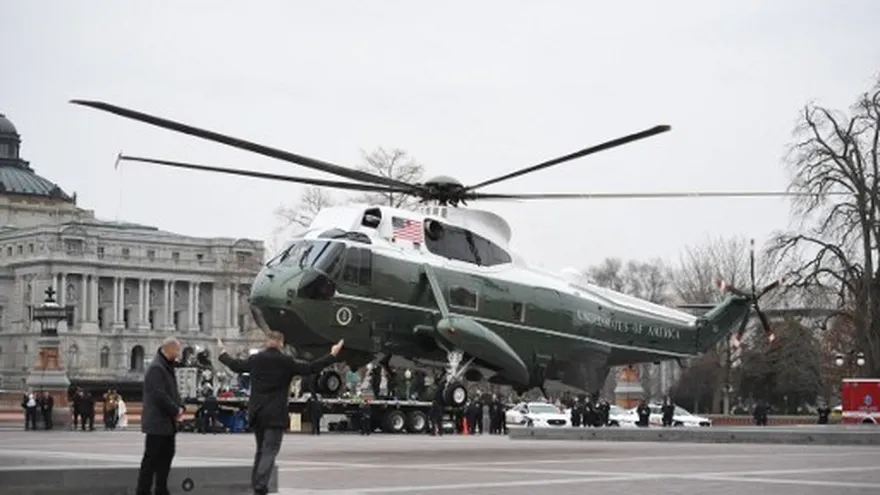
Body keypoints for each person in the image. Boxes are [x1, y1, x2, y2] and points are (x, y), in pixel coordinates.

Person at [217, 332, 343, 495]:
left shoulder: (256, 360)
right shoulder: (286, 362)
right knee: (270, 450)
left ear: (267, 341)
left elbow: (235, 365)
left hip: (257, 412)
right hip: (275, 412)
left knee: (261, 450)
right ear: (281, 344)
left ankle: (256, 482)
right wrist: (332, 355)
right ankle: (260, 485)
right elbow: (310, 368)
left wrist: (222, 353)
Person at [136, 337, 185, 495]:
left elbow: (173, 392)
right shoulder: (157, 368)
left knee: (165, 459)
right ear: (169, 349)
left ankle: (161, 489)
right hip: (157, 423)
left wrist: (180, 405)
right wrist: (176, 410)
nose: (178, 354)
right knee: (151, 460)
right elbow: (159, 395)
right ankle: (143, 491)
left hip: (166, 424)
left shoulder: (166, 367)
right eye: (177, 350)